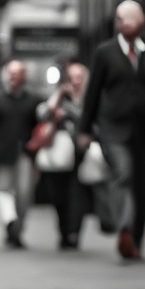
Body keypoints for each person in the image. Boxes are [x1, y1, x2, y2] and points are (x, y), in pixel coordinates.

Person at [78, 0, 145, 261]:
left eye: (132, 19)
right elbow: (92, 93)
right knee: (123, 174)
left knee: (142, 187)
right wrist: (85, 129)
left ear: (142, 22)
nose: (127, 24)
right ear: (117, 23)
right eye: (123, 19)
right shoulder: (105, 53)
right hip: (114, 129)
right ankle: (124, 228)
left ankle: (135, 240)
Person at [0, 61, 42, 249]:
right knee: (2, 191)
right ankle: (10, 224)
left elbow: (39, 127)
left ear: (24, 76)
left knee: (24, 194)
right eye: (11, 73)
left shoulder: (33, 100)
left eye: (18, 73)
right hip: (3, 153)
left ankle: (17, 231)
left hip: (25, 153)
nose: (14, 77)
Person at [38, 62, 89, 250]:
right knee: (59, 195)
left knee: (78, 193)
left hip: (81, 153)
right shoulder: (61, 98)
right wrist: (59, 95)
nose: (75, 81)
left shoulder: (90, 98)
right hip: (59, 153)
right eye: (72, 77)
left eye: (79, 77)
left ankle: (74, 231)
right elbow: (43, 113)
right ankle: (63, 231)